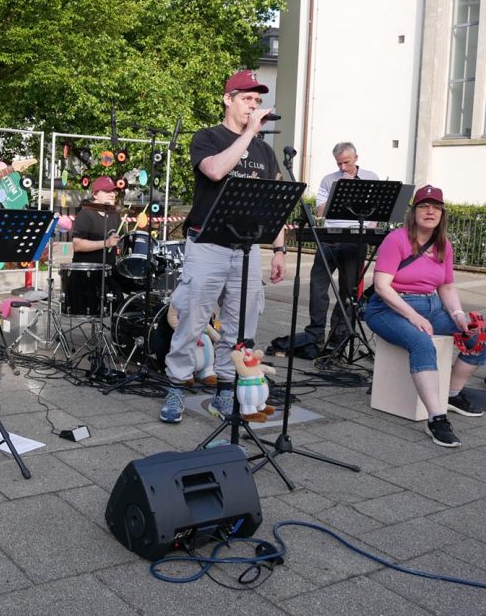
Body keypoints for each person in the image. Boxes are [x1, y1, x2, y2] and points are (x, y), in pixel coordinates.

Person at [160, 70, 287, 424]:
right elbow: (215, 171)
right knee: (192, 320)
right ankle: (176, 387)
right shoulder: (208, 138)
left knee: (240, 326)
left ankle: (225, 393)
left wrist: (278, 250)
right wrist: (247, 134)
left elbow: (272, 204)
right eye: (247, 98)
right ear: (227, 99)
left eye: (258, 101)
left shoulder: (265, 151)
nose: (254, 105)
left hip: (247, 249)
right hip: (207, 244)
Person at [364, 185, 486, 448]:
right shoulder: (397, 239)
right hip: (388, 308)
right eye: (424, 206)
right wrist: (413, 316)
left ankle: (451, 393)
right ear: (414, 213)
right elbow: (382, 286)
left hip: (431, 306)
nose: (430, 211)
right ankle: (437, 419)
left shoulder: (443, 246)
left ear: (442, 214)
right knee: (422, 342)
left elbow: (446, 286)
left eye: (436, 207)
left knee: (484, 337)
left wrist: (458, 315)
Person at [303, 142, 379, 350]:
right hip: (329, 238)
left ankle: (338, 338)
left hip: (355, 239)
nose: (343, 168)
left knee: (348, 291)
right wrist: (340, 189)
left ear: (356, 158)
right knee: (318, 286)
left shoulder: (371, 177)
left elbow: (377, 210)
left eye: (346, 162)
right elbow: (320, 212)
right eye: (339, 164)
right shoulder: (329, 179)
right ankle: (314, 334)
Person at [71, 176, 121, 265]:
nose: (112, 194)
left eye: (113, 191)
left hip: (109, 269)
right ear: (95, 194)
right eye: (107, 191)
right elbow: (77, 245)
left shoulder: (115, 215)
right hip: (88, 271)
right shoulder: (85, 214)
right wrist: (106, 243)